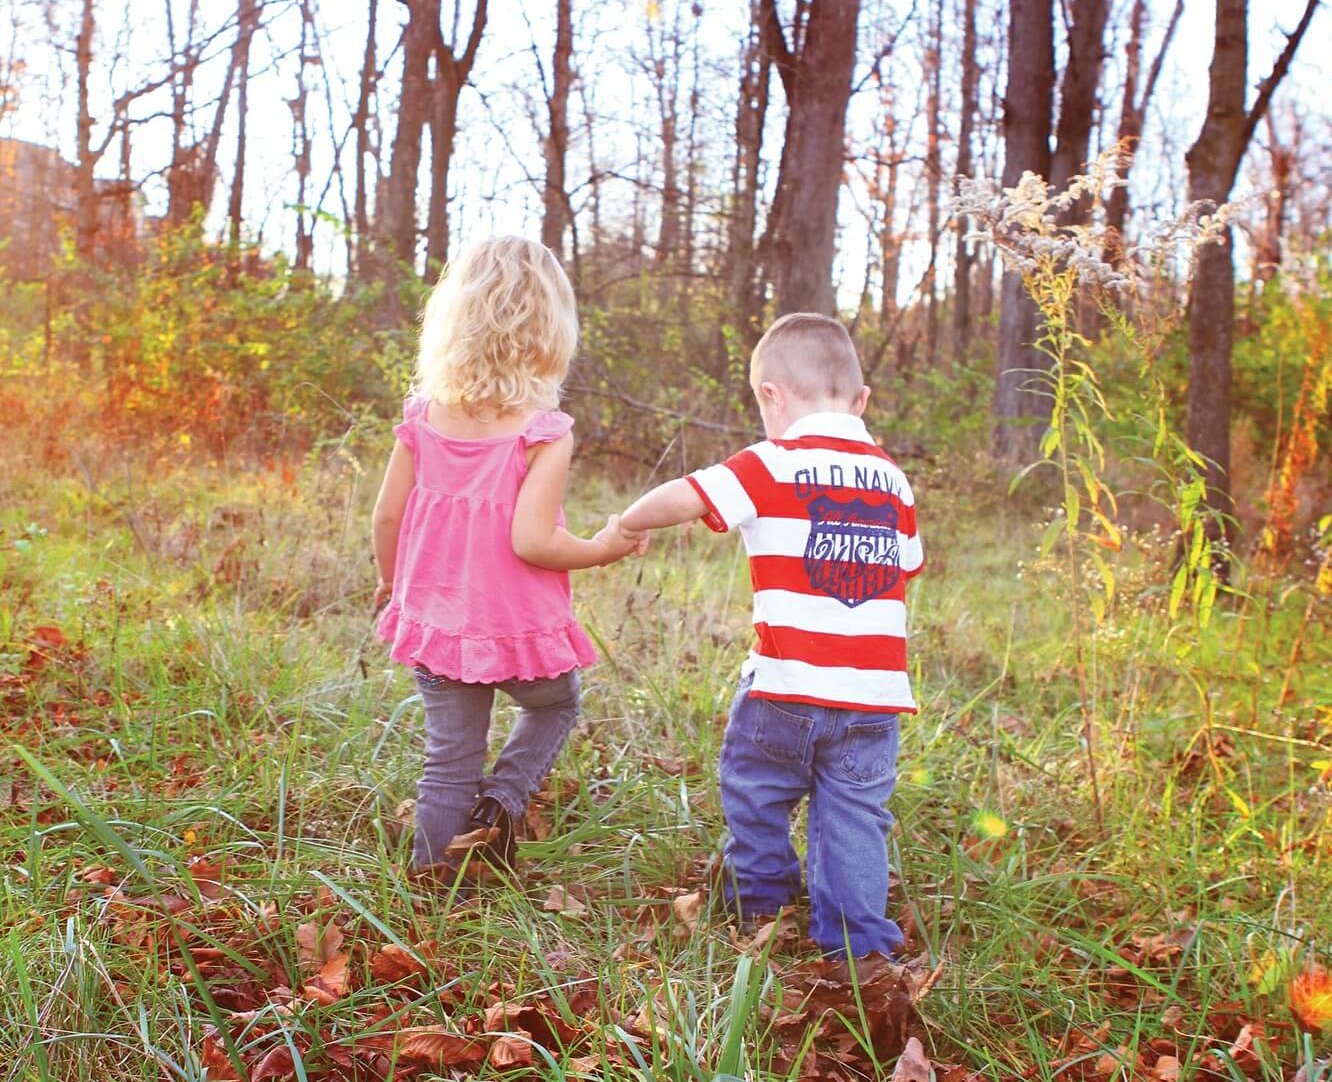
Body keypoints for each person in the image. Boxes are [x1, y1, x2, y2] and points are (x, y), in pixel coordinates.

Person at [613, 313, 922, 958]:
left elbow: (688, 495)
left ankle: (760, 905)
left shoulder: (772, 461)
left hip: (785, 684)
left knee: (756, 789)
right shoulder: (893, 479)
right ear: (860, 401)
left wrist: (629, 521)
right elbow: (908, 564)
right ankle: (859, 947)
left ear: (771, 396)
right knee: (856, 817)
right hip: (873, 697)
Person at [372, 236, 642, 879]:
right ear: (551, 327)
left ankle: (433, 891)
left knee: (449, 759)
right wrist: (603, 548)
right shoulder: (542, 432)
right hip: (515, 628)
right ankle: (502, 800)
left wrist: (392, 585)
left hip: (437, 623)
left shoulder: (424, 417)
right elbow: (533, 541)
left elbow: (386, 515)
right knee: (555, 703)